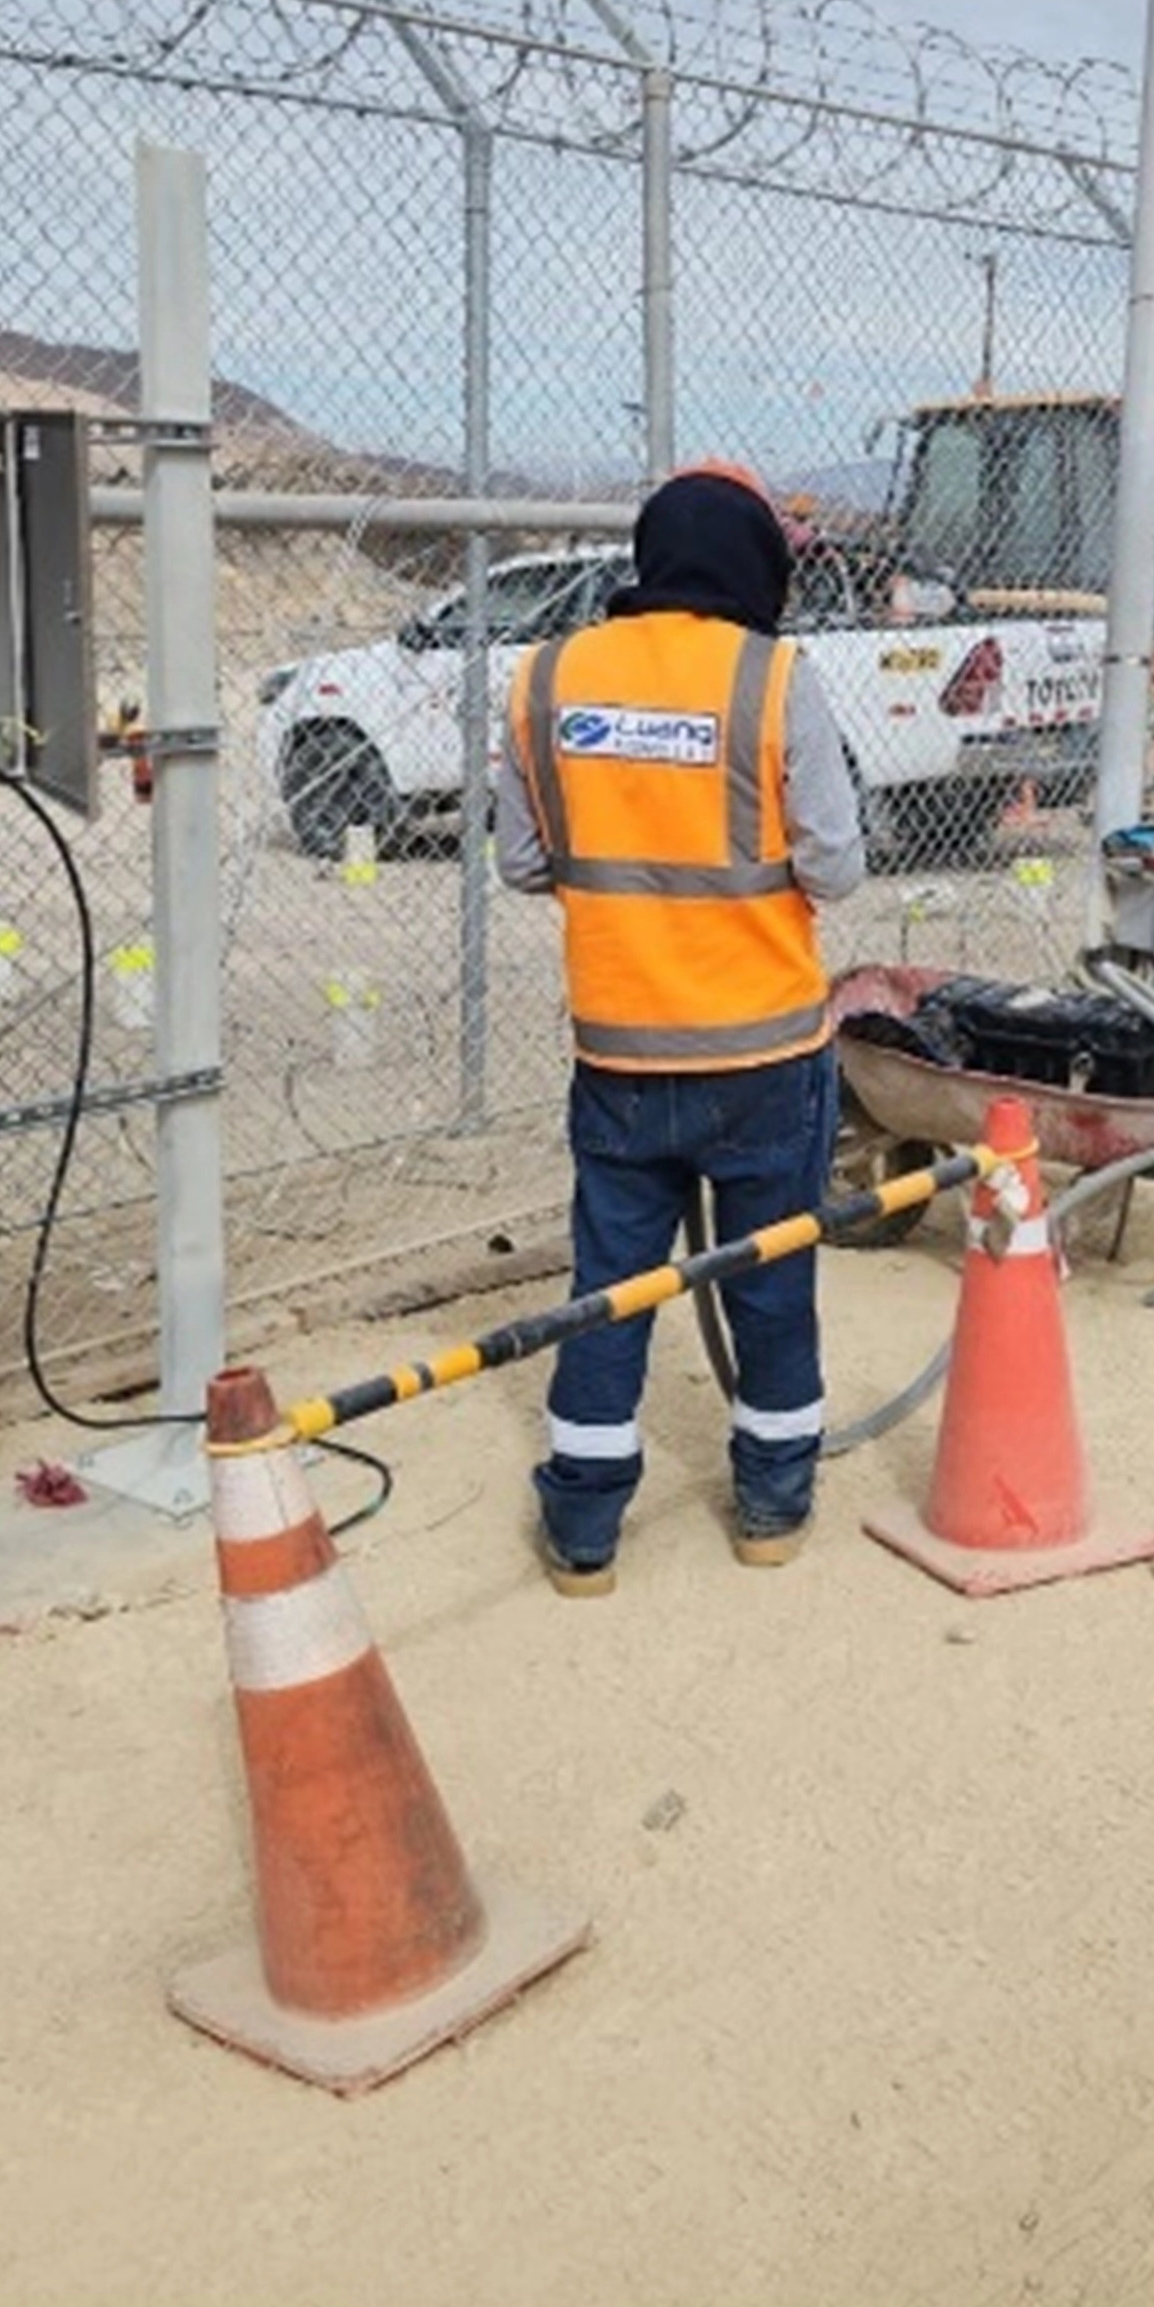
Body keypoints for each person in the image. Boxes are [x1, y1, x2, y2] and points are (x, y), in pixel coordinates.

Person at [491, 461, 869, 1595]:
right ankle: (769, 1500)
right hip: (761, 1052)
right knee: (769, 1277)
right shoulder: (771, 677)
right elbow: (835, 868)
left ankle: (585, 1528)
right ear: (754, 563)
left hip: (617, 1051)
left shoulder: (546, 676)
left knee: (611, 1282)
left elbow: (520, 861)